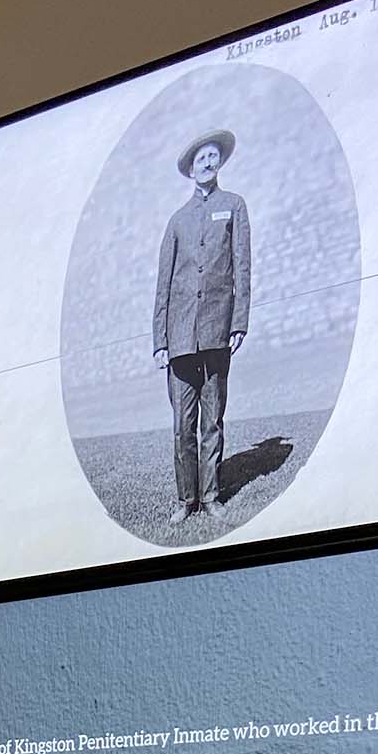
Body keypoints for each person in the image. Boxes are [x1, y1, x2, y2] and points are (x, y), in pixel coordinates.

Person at [152, 129, 251, 523]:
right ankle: (185, 500)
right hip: (179, 338)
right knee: (183, 424)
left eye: (213, 156)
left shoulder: (235, 206)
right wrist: (160, 340)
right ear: (191, 170)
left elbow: (242, 267)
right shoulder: (177, 221)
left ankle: (210, 497)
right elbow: (163, 283)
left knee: (212, 419)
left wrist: (238, 321)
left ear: (219, 162)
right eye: (200, 159)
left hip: (217, 331)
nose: (208, 163)